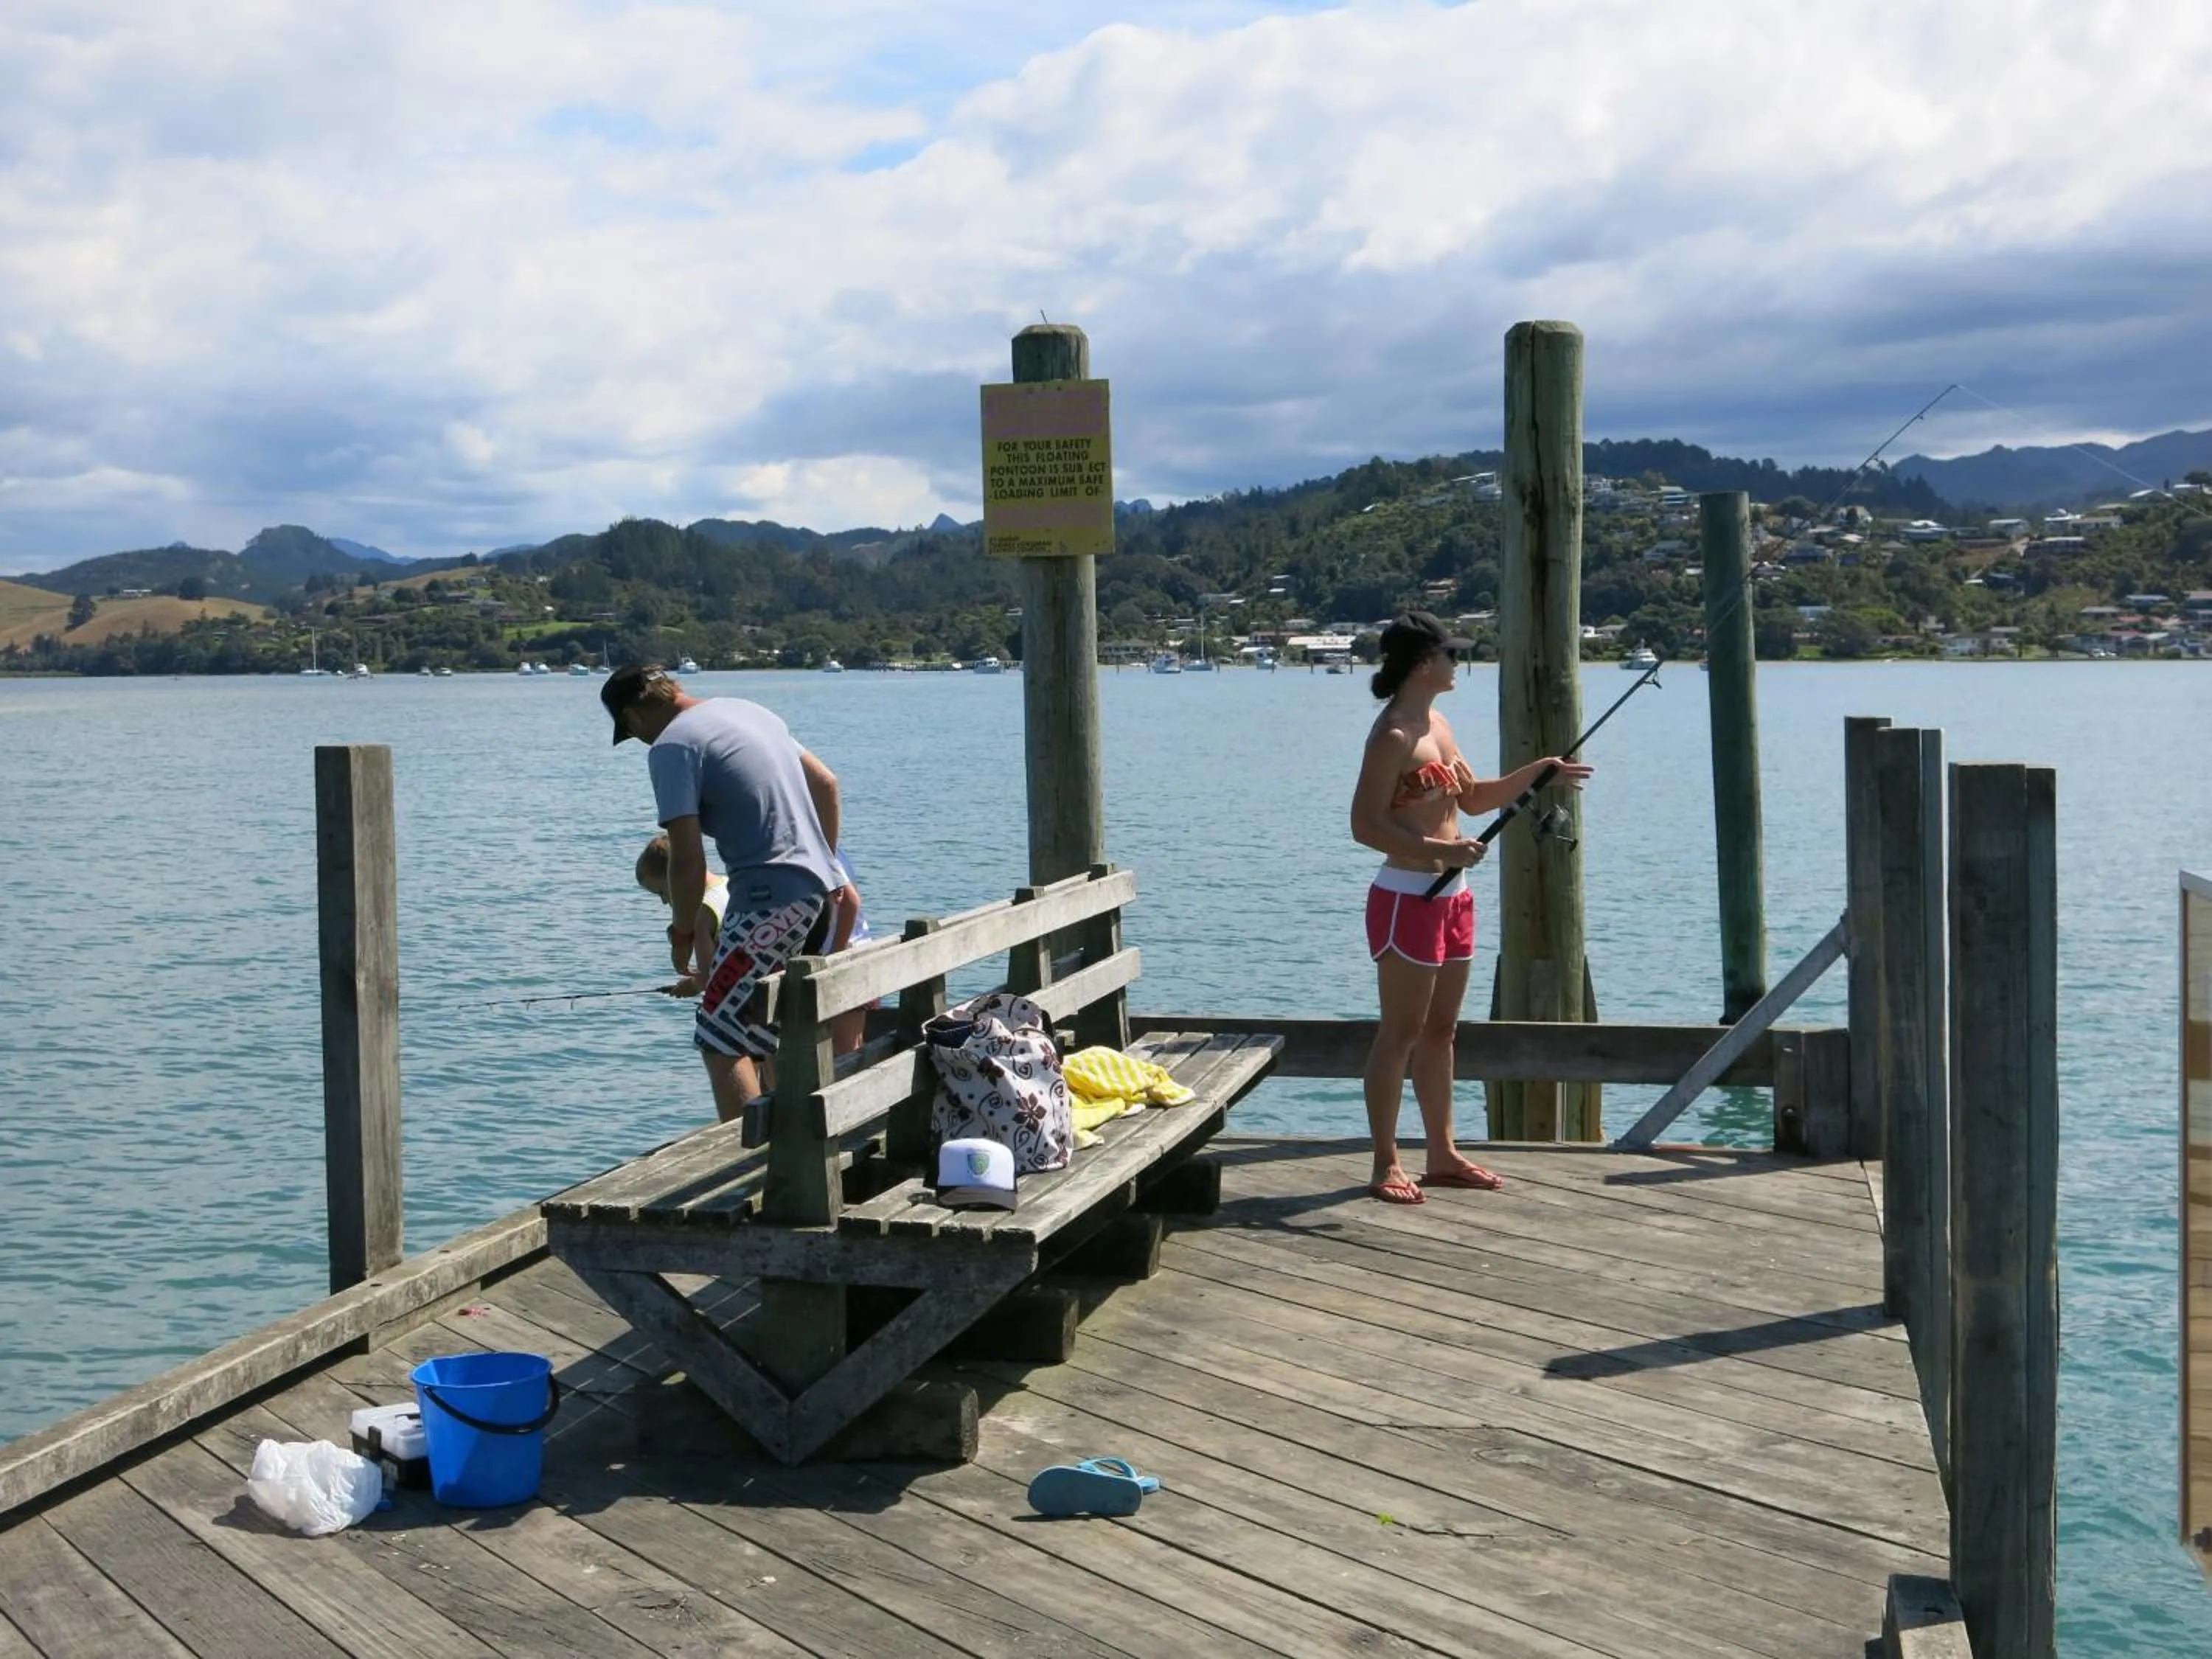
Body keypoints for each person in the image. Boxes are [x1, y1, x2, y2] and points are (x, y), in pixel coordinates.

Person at [1348, 611, 1593, 1205]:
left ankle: (1443, 1154)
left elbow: (1476, 799)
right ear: (1420, 663)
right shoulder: (1394, 737)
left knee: (1441, 1032)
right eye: (1450, 654)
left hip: (1454, 899)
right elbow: (1364, 825)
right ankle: (1386, 1163)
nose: (1458, 662)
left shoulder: (1440, 723)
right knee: (1400, 1033)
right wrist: (1442, 849)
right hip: (1408, 898)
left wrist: (1541, 773)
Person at [602, 664, 847, 1122]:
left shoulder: (673, 747)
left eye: (632, 732)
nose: (641, 741)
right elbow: (826, 784)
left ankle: (748, 1175)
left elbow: (687, 858)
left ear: (633, 719)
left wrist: (680, 933)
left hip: (767, 902)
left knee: (719, 1036)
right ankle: (801, 1152)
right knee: (775, 1027)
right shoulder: (748, 712)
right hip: (820, 894)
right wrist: (825, 872)